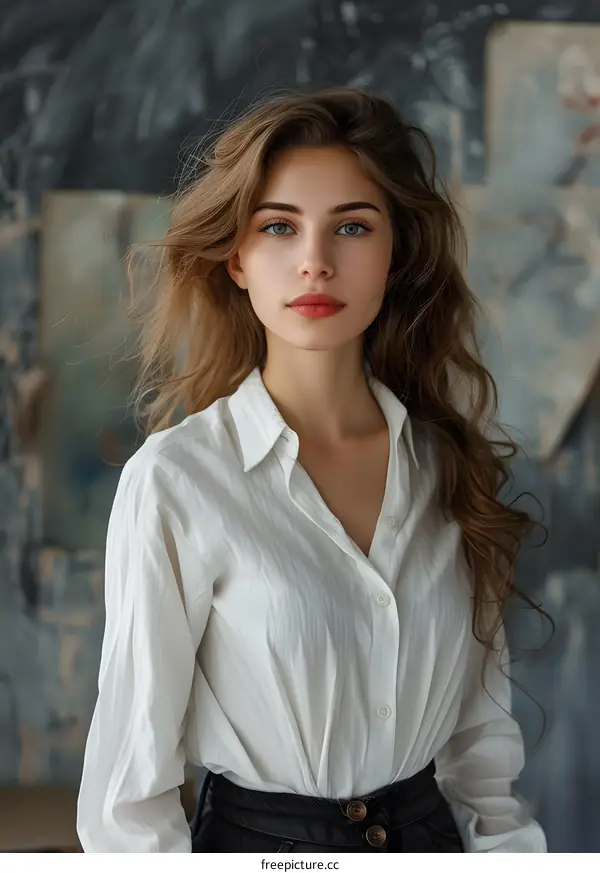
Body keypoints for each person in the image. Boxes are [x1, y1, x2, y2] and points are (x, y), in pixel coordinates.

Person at [76, 87, 547, 853]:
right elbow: (129, 804)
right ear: (236, 257)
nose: (316, 263)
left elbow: (482, 759)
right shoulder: (178, 481)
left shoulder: (449, 467)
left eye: (352, 227)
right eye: (279, 227)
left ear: (396, 252)